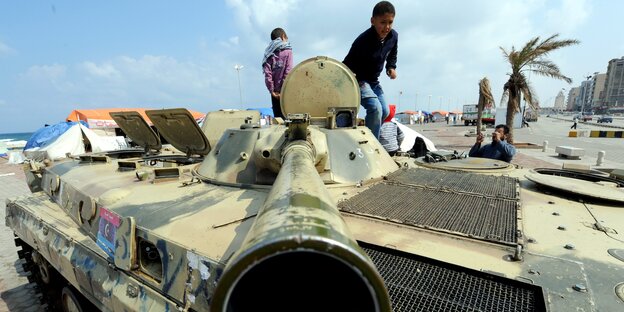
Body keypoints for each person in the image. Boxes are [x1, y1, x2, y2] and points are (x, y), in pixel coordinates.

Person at [343, 1, 398, 138]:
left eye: (390, 22)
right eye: (383, 22)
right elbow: (346, 63)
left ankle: (367, 135)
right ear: (373, 21)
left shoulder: (393, 36)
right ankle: (371, 146)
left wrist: (390, 67)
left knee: (385, 112)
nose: (387, 27)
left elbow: (392, 54)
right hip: (359, 80)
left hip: (373, 81)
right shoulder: (362, 41)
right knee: (375, 108)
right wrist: (350, 79)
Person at [262, 28, 293, 119]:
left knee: (277, 118)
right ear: (283, 37)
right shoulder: (288, 51)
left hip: (274, 93)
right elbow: (288, 71)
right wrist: (283, 90)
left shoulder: (268, 53)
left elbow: (268, 74)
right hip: (285, 91)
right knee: (287, 117)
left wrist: (272, 91)